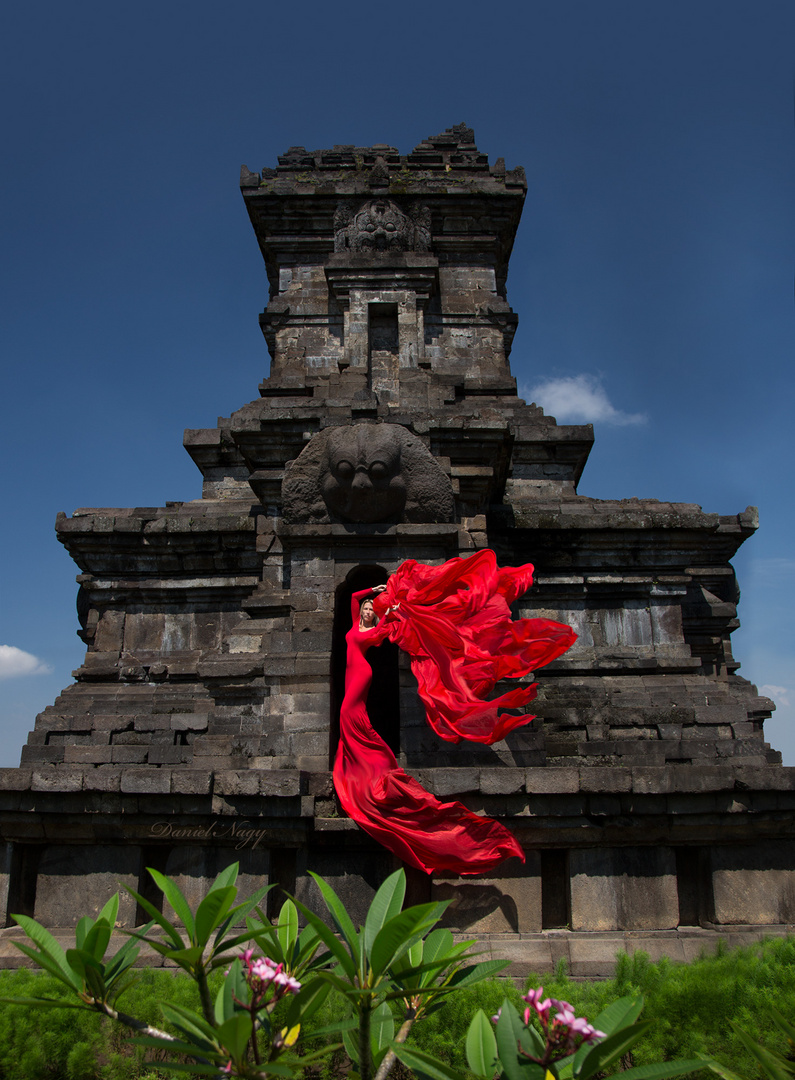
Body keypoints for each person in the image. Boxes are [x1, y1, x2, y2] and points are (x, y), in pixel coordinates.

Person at [332, 549, 577, 876]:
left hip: (359, 692)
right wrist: (373, 594)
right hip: (351, 697)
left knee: (367, 741)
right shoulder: (354, 626)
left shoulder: (375, 632)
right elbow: (355, 596)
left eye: (367, 611)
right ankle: (362, 780)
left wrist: (388, 606)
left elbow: (389, 626)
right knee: (356, 736)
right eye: (362, 610)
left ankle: (378, 783)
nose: (364, 611)